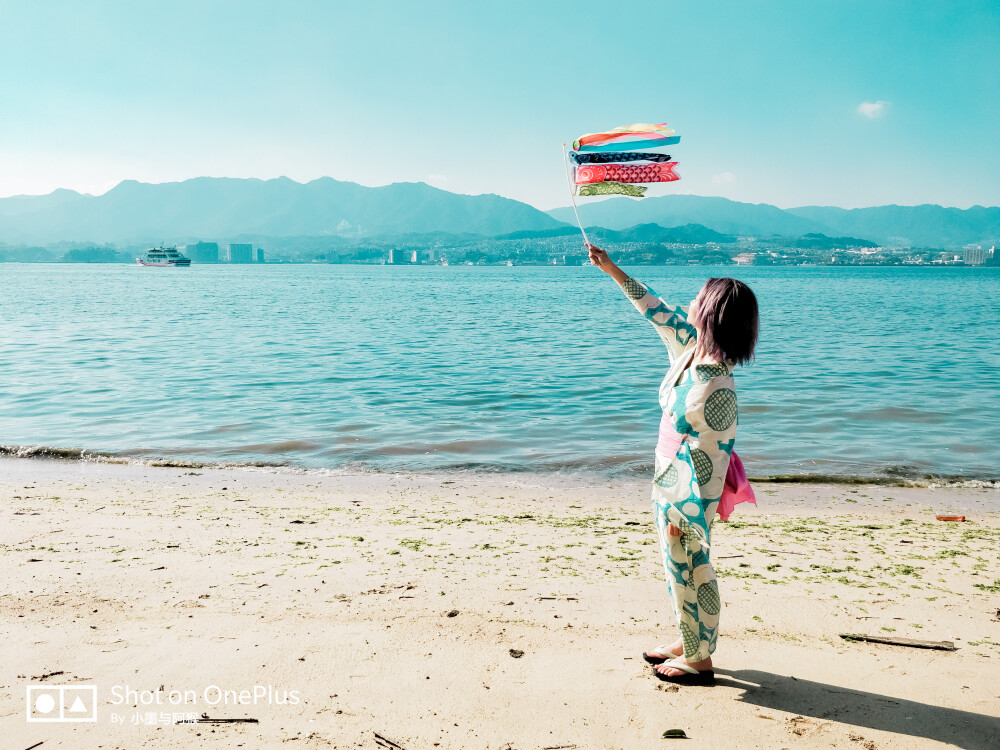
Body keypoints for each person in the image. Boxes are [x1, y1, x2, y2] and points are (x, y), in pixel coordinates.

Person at [588, 243, 759, 684]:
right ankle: (688, 637)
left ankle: (701, 660)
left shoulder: (717, 384)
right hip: (667, 475)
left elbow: (713, 460)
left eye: (699, 300)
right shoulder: (689, 345)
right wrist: (610, 268)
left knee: (693, 564)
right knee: (674, 567)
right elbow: (653, 308)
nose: (691, 302)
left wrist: (688, 514)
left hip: (689, 489)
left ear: (713, 314)